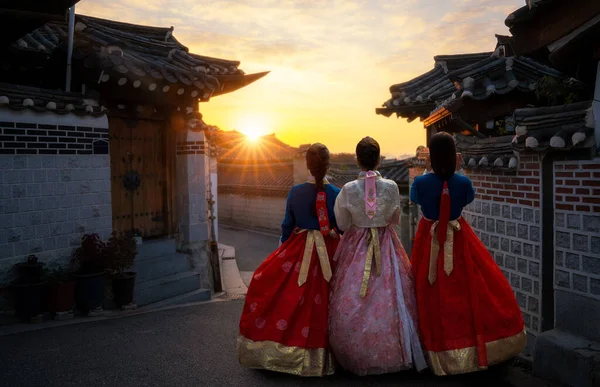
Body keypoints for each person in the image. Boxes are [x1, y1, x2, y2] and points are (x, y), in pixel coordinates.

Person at [410, 132, 526, 376]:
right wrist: (456, 173)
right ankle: (471, 347)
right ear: (455, 156)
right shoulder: (463, 183)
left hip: (428, 240)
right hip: (459, 238)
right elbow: (467, 198)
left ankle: (434, 350)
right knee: (467, 288)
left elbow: (415, 198)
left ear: (430, 156)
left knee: (428, 290)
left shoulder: (420, 183)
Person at [237, 143, 341, 377]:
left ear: (307, 165)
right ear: (328, 165)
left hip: (299, 247)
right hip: (329, 249)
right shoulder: (336, 193)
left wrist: (283, 249)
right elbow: (341, 226)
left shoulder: (295, 192)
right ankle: (328, 354)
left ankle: (286, 350)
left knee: (294, 298)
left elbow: (287, 226)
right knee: (326, 298)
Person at [328, 137, 426, 376]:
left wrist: (359, 222)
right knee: (395, 294)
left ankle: (353, 351)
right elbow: (394, 218)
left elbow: (342, 223)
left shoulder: (348, 189)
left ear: (357, 159)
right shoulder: (392, 186)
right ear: (379, 159)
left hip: (356, 244)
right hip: (386, 244)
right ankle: (394, 350)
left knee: (351, 295)